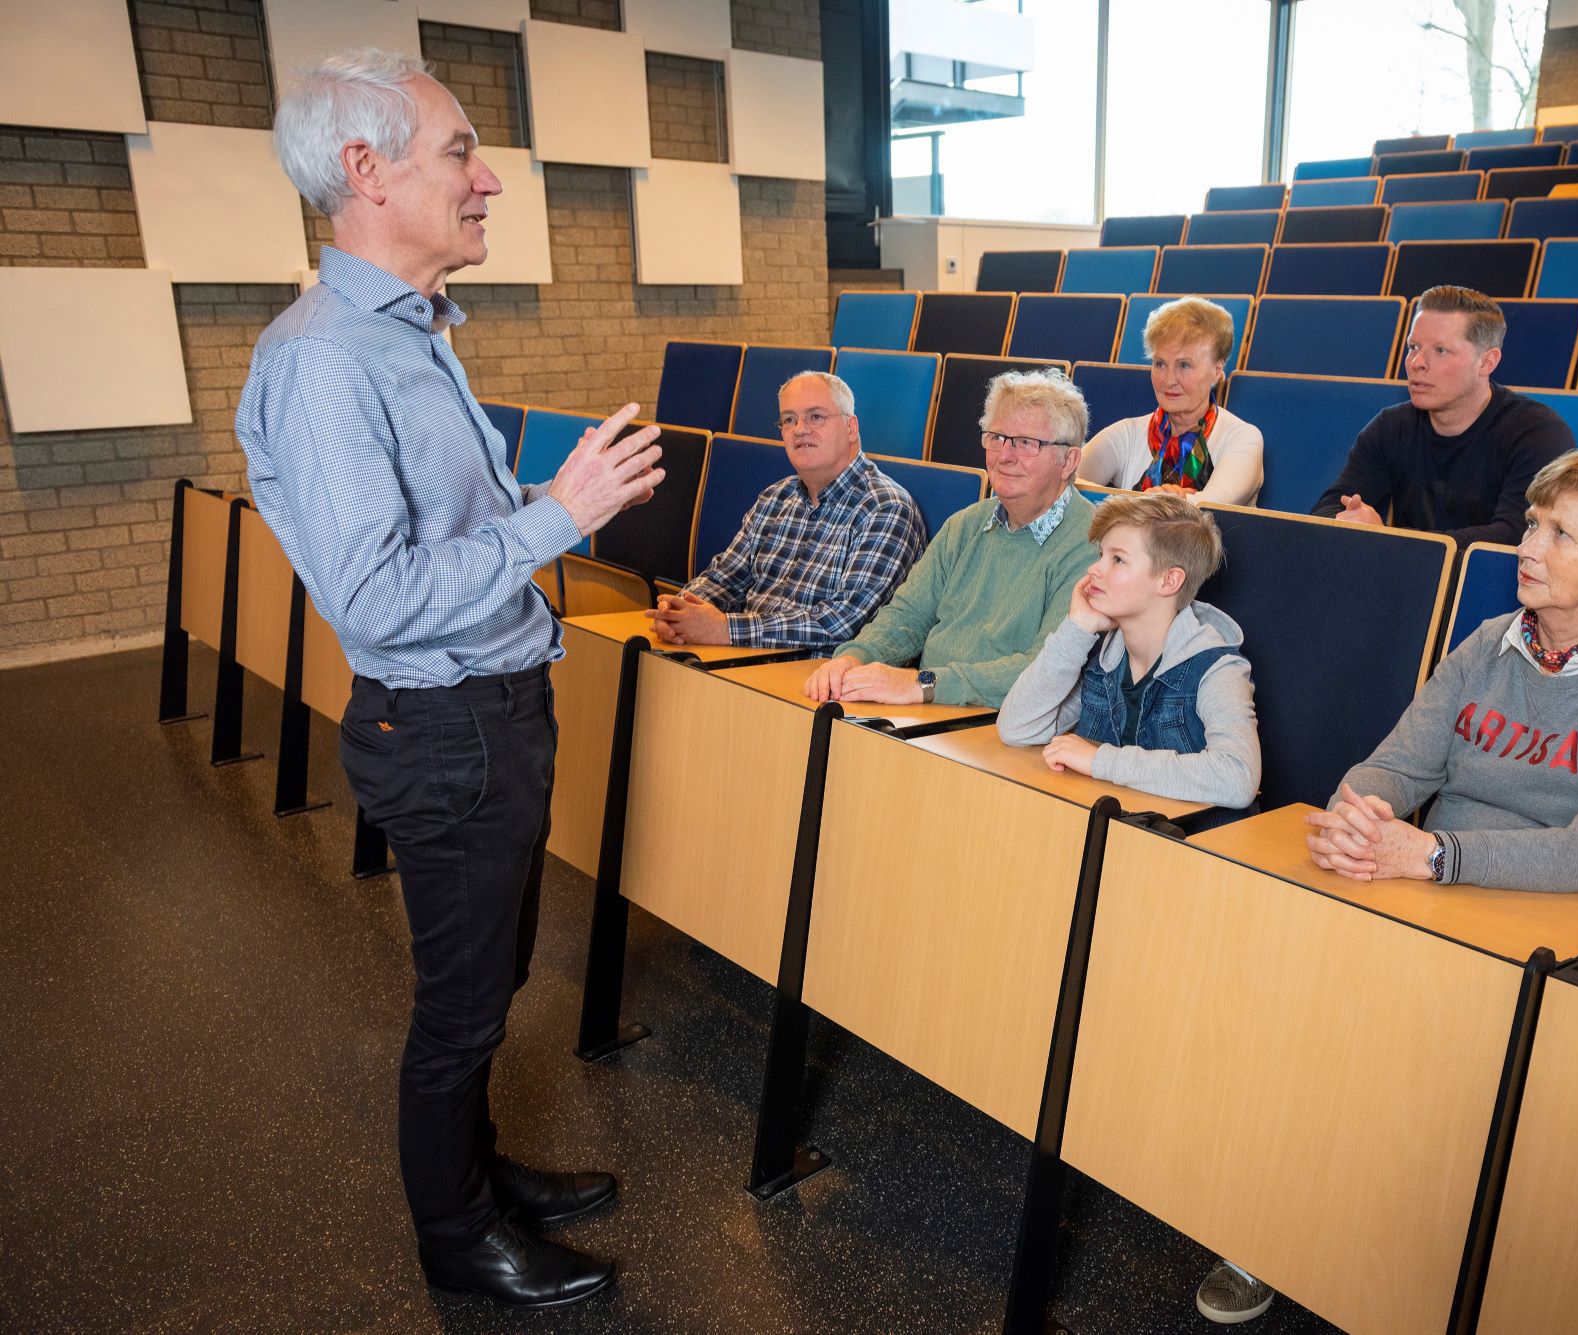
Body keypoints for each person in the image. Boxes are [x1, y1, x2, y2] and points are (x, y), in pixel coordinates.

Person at [239, 50, 658, 1309]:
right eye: (461, 152)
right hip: (442, 725)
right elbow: (375, 597)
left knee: (497, 975)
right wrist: (560, 517)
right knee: (463, 1009)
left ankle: (476, 1172)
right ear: (365, 171)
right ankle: (456, 1236)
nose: (489, 182)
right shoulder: (325, 359)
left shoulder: (408, 333)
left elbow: (444, 533)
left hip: (489, 713)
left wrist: (549, 500)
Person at [1197, 449, 1578, 1326]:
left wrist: (1428, 856)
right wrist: (1360, 812)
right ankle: (1275, 1221)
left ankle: (1404, 1262)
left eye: (1560, 534)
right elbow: (1399, 764)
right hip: (1444, 900)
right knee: (1286, 988)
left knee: (1406, 1055)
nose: (1528, 545)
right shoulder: (1489, 642)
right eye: (1533, 523)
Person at [803, 368, 1097, 707]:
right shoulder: (965, 525)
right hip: (929, 709)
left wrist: (923, 684)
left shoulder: (1090, 544)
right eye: (997, 438)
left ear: (1068, 461)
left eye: (1027, 443)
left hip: (999, 722)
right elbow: (907, 616)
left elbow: (1045, 670)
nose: (1005, 455)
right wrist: (854, 658)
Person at [996, 491, 1259, 808]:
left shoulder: (1217, 668)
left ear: (1169, 581)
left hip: (1189, 837)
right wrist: (1077, 628)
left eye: (1118, 559)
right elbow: (1017, 728)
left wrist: (1100, 760)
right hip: (1114, 827)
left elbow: (1237, 778)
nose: (1094, 570)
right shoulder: (1103, 657)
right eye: (1101, 555)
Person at [648, 371, 926, 649]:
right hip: (741, 656)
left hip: (816, 670)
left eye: (816, 417)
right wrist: (678, 613)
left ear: (851, 428)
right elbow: (724, 579)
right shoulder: (775, 497)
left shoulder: (886, 508)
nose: (800, 429)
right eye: (789, 420)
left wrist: (725, 629)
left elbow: (843, 622)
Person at [1309, 285, 1573, 545]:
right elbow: (1329, 507)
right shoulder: (1390, 427)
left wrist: (1390, 540)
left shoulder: (1538, 434)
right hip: (1408, 568)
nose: (1417, 363)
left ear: (1487, 362)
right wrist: (1347, 520)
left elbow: (1518, 535)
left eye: (1440, 350)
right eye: (1413, 347)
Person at [1077, 296, 1264, 504]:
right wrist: (1145, 500)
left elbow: (1213, 505)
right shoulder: (1127, 434)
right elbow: (1065, 479)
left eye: (1184, 365)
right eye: (1160, 364)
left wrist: (1134, 503)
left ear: (1216, 371)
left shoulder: (1242, 438)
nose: (1169, 380)